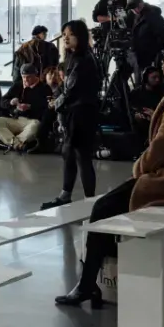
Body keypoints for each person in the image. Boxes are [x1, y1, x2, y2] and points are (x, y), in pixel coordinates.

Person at [57, 36, 164, 308]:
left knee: (104, 207)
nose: (163, 61)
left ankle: (86, 284)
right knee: (112, 202)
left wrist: (139, 169)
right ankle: (89, 281)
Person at [46, 19, 100, 207]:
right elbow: (67, 87)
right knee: (69, 153)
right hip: (74, 111)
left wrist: (57, 103)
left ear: (81, 37)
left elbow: (72, 90)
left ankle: (89, 200)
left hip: (83, 113)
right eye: (64, 34)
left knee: (81, 156)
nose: (66, 38)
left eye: (71, 34)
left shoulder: (83, 59)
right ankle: (66, 195)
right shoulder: (71, 57)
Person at [0, 65, 51, 151]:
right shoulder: (18, 85)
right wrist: (10, 102)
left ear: (35, 75)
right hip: (16, 119)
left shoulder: (44, 88)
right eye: (23, 77)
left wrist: (30, 107)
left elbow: (47, 106)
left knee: (35, 126)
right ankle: (18, 144)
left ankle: (12, 143)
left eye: (29, 77)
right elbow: (2, 101)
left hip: (32, 120)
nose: (25, 80)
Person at [127, 0, 164, 71]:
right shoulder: (134, 16)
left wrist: (154, 51)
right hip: (137, 54)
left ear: (141, 4)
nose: (134, 10)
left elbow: (163, 36)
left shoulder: (154, 16)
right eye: (132, 9)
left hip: (149, 56)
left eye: (135, 7)